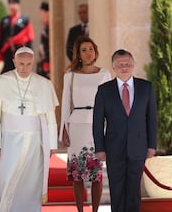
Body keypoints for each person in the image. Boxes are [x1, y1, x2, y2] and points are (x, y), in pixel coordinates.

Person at [0, 46, 59, 212]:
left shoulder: (44, 84)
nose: (24, 68)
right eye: (21, 64)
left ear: (33, 62)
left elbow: (50, 118)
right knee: (7, 178)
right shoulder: (1, 82)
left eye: (28, 64)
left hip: (35, 142)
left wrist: (51, 144)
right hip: (8, 141)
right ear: (14, 62)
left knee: (31, 181)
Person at [93, 49, 157, 212]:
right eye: (120, 64)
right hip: (114, 148)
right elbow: (97, 122)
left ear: (133, 65)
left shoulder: (146, 88)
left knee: (134, 191)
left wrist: (152, 146)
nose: (124, 67)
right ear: (114, 67)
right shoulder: (104, 90)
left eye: (127, 64)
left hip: (138, 146)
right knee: (117, 189)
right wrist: (99, 148)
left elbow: (151, 119)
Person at [59, 36, 111, 212]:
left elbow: (110, 104)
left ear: (95, 51)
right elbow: (65, 104)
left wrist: (109, 129)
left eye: (91, 49)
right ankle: (80, 210)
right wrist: (63, 131)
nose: (88, 53)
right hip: (76, 125)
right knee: (77, 174)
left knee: (96, 173)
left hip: (97, 125)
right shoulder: (70, 75)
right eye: (84, 50)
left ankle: (95, 210)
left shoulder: (104, 74)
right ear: (78, 55)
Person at [0, 0, 35, 74]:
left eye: (14, 3)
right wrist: (0, 54)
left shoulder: (24, 20)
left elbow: (29, 37)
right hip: (8, 54)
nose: (12, 6)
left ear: (18, 5)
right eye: (10, 4)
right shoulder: (4, 20)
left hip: (21, 53)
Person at [37, 2, 50, 79]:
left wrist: (47, 61)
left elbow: (48, 45)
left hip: (47, 60)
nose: (40, 15)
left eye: (41, 12)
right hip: (43, 59)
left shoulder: (49, 26)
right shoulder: (45, 25)